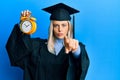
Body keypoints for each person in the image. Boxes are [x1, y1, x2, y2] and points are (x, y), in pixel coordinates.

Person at [6, 3, 89, 80]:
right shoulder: (38, 46)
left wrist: (76, 50)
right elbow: (18, 51)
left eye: (63, 25)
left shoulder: (72, 48)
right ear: (52, 27)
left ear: (69, 27)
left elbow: (81, 61)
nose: (60, 29)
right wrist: (24, 25)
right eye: (56, 25)